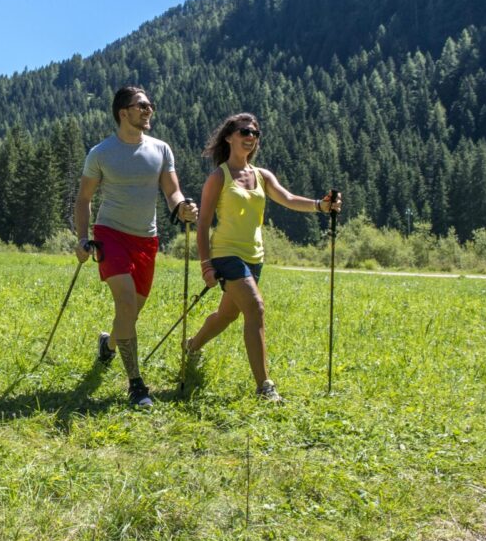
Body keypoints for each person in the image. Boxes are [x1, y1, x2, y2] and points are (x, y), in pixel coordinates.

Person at [183, 112, 341, 403]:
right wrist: (206, 265)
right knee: (255, 308)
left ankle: (192, 346)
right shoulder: (219, 177)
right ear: (229, 136)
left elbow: (289, 199)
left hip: (255, 256)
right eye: (245, 131)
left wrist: (321, 206)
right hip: (226, 254)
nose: (251, 137)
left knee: (228, 315)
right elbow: (203, 224)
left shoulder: (261, 175)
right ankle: (264, 386)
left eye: (255, 133)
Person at [74, 86, 197, 408]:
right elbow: (84, 198)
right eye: (142, 106)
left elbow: (172, 191)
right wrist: (82, 237)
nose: (148, 111)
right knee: (126, 304)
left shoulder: (161, 149)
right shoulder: (101, 153)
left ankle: (109, 344)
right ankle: (136, 385)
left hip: (147, 238)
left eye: (150, 106)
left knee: (132, 311)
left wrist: (182, 207)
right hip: (110, 233)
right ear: (123, 112)